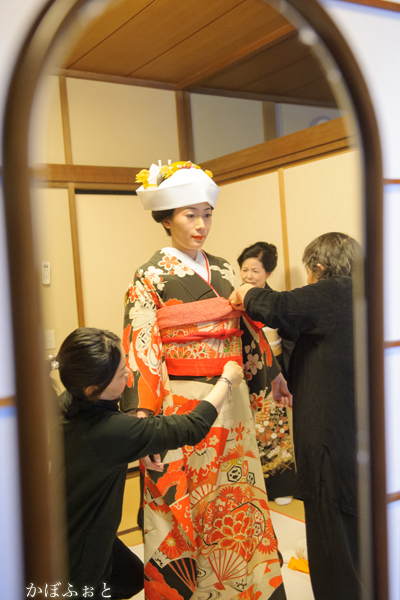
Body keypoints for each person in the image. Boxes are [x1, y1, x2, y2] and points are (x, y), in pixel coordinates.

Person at [121, 161, 289, 600]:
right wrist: (144, 416)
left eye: (207, 214)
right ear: (166, 218)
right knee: (184, 502)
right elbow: (142, 347)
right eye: (189, 215)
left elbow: (246, 327)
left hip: (232, 401)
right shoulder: (149, 276)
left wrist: (271, 375)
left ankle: (243, 588)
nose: (201, 225)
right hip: (181, 402)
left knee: (237, 498)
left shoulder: (226, 270)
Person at [56, 327, 243, 600]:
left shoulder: (66, 406)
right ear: (93, 389)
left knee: (131, 576)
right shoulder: (110, 431)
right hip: (79, 553)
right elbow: (192, 426)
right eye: (121, 375)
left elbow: (112, 440)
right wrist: (226, 380)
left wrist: (138, 443)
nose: (129, 376)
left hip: (63, 529)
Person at [230, 232, 359, 600]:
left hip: (330, 444)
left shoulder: (334, 291)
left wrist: (244, 292)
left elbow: (279, 306)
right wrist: (283, 375)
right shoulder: (365, 296)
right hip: (357, 438)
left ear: (318, 268)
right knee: (354, 538)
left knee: (332, 544)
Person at [238, 242, 296, 506]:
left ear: (268, 274)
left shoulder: (275, 301)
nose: (249, 276)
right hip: (242, 371)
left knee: (272, 429)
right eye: (245, 269)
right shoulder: (235, 298)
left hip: (272, 372)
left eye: (256, 271)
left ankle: (278, 484)